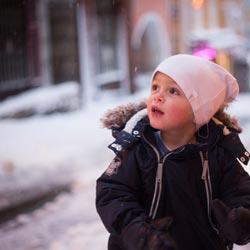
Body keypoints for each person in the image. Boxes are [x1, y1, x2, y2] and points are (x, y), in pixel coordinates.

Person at [96, 54, 250, 250]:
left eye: (173, 91)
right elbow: (111, 192)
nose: (158, 96)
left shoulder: (217, 154)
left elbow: (242, 193)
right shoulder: (137, 148)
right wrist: (137, 232)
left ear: (199, 109)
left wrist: (240, 220)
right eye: (155, 87)